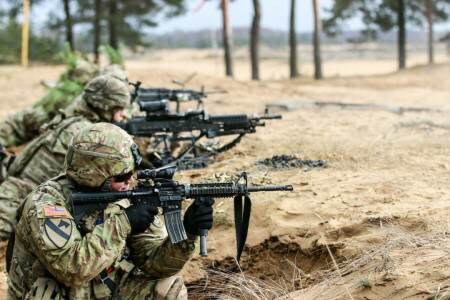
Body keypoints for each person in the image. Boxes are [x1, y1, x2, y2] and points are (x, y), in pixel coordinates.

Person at [6, 122, 213, 299]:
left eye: (132, 173)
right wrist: (124, 224)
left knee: (169, 289)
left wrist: (188, 232)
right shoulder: (46, 205)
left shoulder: (122, 196)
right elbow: (73, 270)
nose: (130, 181)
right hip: (59, 292)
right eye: (121, 177)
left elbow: (156, 264)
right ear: (94, 176)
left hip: (101, 289)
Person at [0, 75, 130, 240]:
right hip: (23, 195)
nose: (123, 114)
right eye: (119, 108)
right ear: (105, 107)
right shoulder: (88, 134)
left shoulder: (75, 120)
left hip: (20, 188)